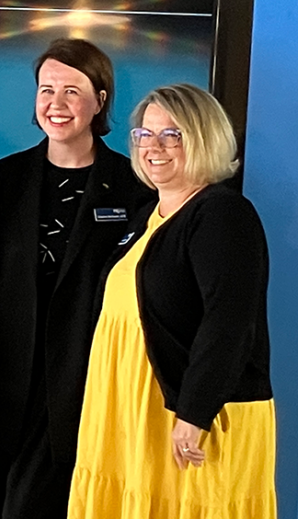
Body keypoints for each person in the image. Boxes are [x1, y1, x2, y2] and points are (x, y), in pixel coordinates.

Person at [67, 83, 277, 518]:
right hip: (131, 408)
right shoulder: (148, 215)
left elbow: (229, 324)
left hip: (191, 412)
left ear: (204, 139)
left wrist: (194, 413)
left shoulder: (221, 214)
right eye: (144, 134)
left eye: (172, 135)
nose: (153, 147)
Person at [0, 38, 153, 518]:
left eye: (72, 91)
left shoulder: (138, 188)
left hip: (86, 378)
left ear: (100, 100)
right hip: (5, 377)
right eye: (46, 89)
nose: (56, 104)